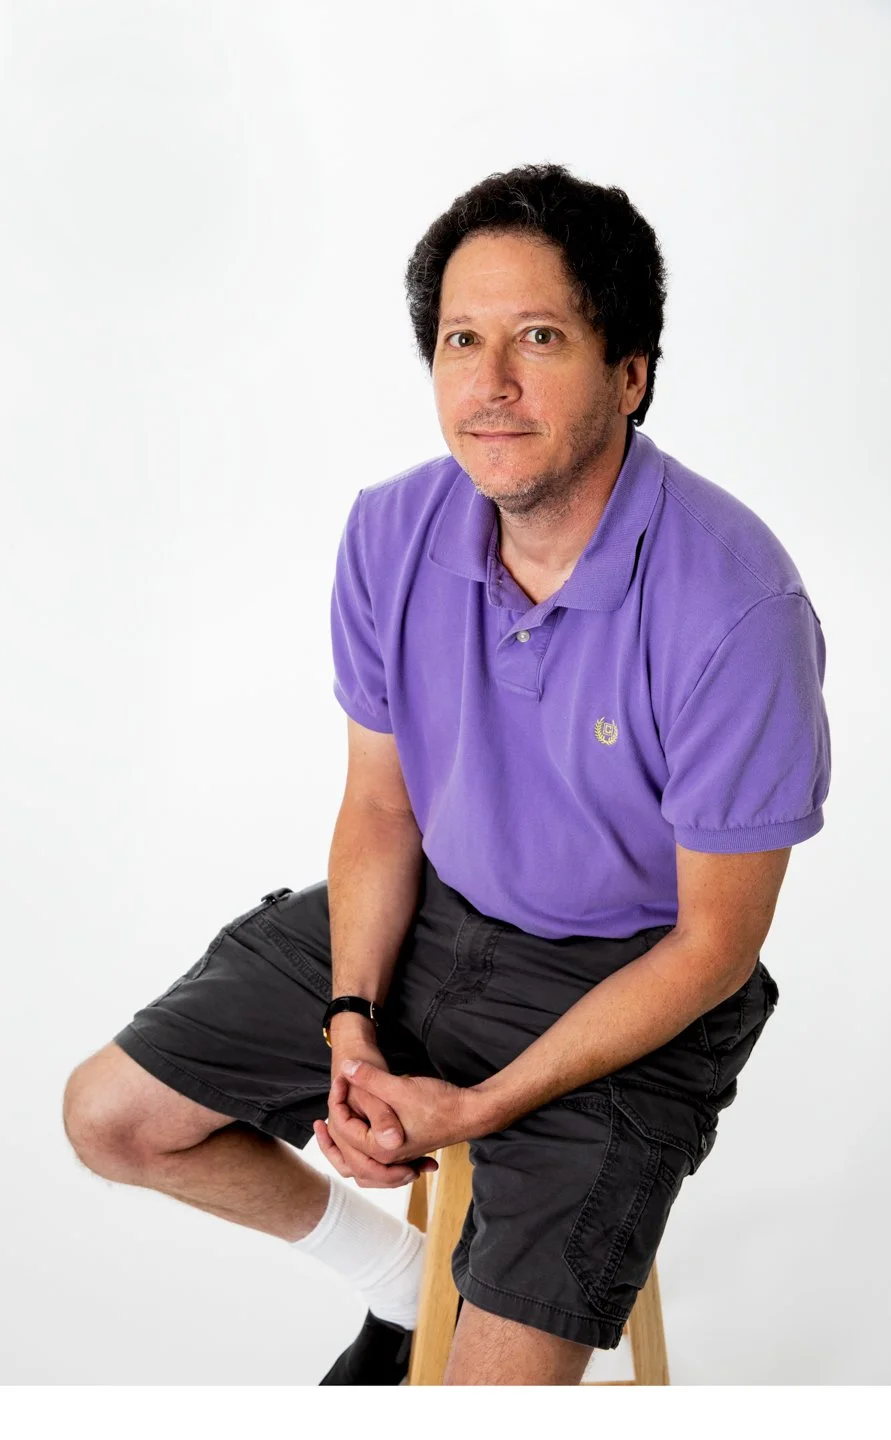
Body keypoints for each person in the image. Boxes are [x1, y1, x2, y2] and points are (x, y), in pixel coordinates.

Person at [62, 162, 831, 1387]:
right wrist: (350, 1024)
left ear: (630, 373)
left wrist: (478, 1108)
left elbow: (714, 948)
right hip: (439, 921)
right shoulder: (391, 531)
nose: (491, 383)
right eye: (462, 339)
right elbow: (381, 807)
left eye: (540, 337)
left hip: (633, 983)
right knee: (109, 1117)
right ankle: (397, 1288)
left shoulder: (735, 606)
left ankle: (460, 1319)